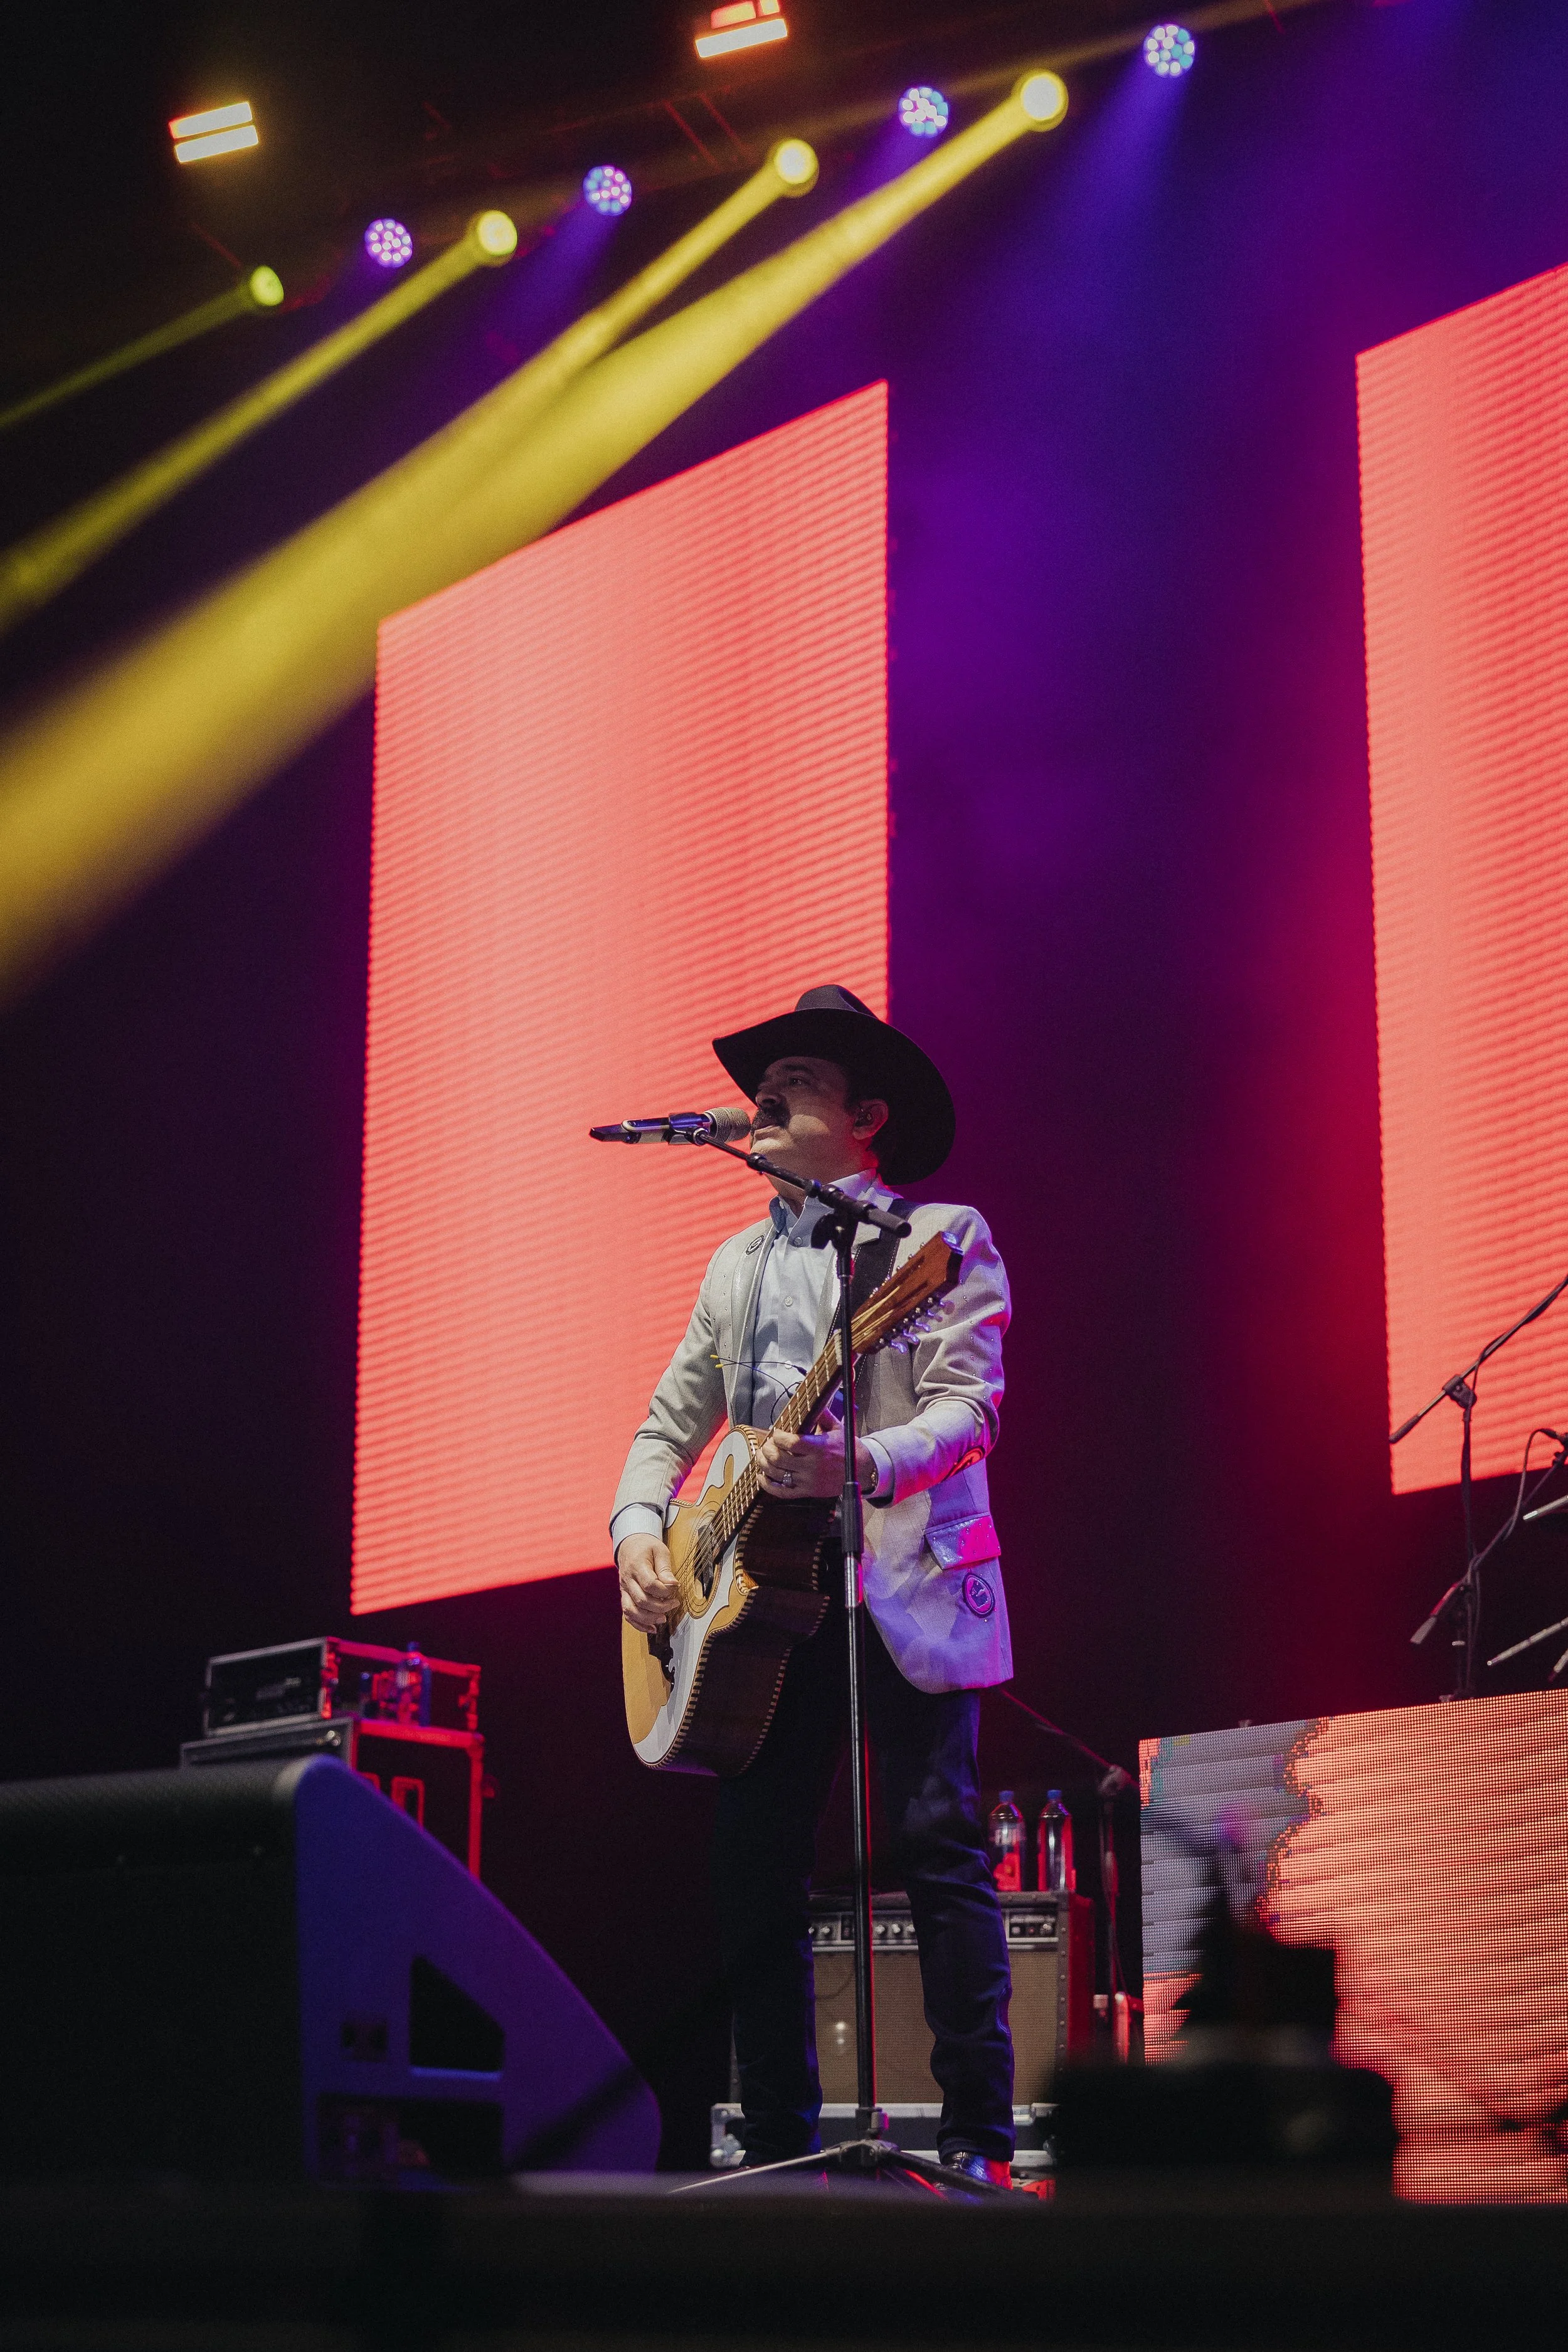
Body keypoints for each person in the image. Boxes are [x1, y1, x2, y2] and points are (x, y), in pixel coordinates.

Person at [611, 984, 1014, 2183]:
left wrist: (859, 1461)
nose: (762, 1097)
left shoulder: (941, 1238)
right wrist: (640, 1525)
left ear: (866, 1113)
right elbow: (665, 1424)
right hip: (754, 1607)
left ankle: (977, 2144)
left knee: (937, 1845)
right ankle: (777, 2144)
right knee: (753, 1860)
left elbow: (969, 1411)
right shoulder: (734, 1264)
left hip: (909, 1583)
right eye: (761, 1080)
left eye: (794, 1079)